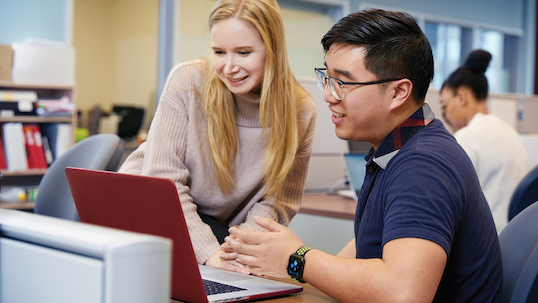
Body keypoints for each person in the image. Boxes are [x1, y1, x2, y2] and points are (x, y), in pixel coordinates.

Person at [223, 9, 502, 302]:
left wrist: (297, 258)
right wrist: (276, 264)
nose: (329, 95)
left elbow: (404, 293)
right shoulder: (396, 150)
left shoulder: (422, 165)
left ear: (398, 92)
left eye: (343, 82)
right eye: (327, 79)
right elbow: (358, 257)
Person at [119, 0, 317, 273]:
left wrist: (240, 250)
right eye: (219, 52)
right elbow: (164, 180)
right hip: (142, 212)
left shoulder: (301, 110)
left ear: (274, 49)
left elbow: (277, 201)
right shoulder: (188, 81)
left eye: (244, 52)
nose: (229, 67)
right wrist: (209, 252)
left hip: (215, 231)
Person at [440, 49, 529, 232]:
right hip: (517, 240)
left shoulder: (467, 137)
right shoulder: (509, 132)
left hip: (488, 245)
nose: (446, 116)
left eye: (444, 106)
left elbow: (448, 205)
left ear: (462, 98)